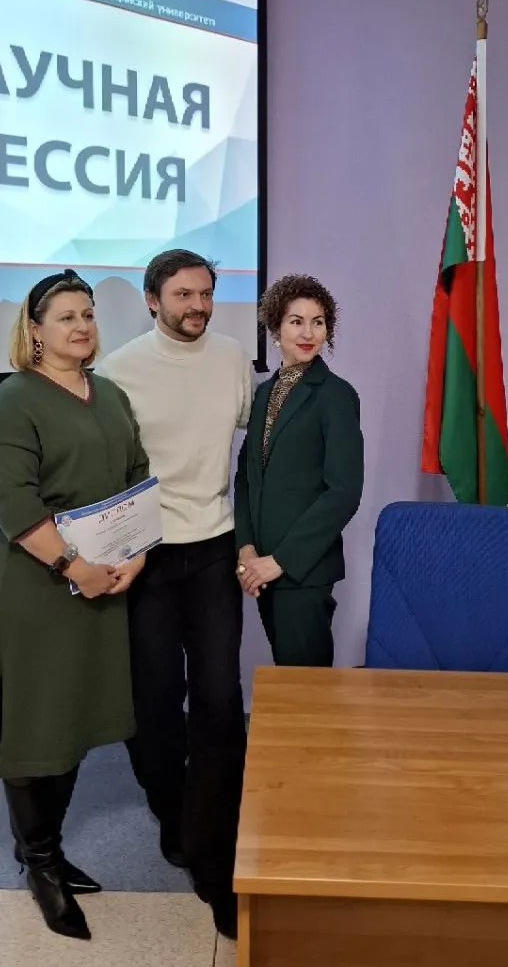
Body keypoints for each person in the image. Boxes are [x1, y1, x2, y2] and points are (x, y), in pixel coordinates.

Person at [101, 248, 252, 940]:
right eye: (184, 294)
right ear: (152, 299)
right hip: (149, 557)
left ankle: (212, 837)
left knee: (220, 700)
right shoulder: (120, 370)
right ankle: (172, 813)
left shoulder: (232, 360)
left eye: (206, 294)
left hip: (215, 546)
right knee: (156, 702)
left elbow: (257, 445)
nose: (198, 306)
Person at [0, 269, 149, 942]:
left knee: (76, 717)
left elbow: (137, 475)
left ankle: (48, 847)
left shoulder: (110, 394)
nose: (82, 325)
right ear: (34, 330)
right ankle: (40, 864)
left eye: (87, 313)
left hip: (104, 583)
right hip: (39, 590)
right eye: (65, 316)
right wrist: (71, 566)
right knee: (36, 725)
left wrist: (136, 553)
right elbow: (13, 500)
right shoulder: (15, 400)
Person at [234, 274, 364, 667]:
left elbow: (343, 492)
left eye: (318, 322)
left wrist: (281, 561)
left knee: (309, 690)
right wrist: (247, 549)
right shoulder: (264, 393)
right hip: (262, 567)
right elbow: (247, 478)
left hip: (303, 572)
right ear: (275, 329)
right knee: (288, 684)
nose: (308, 333)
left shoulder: (336, 395)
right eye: (296, 321)